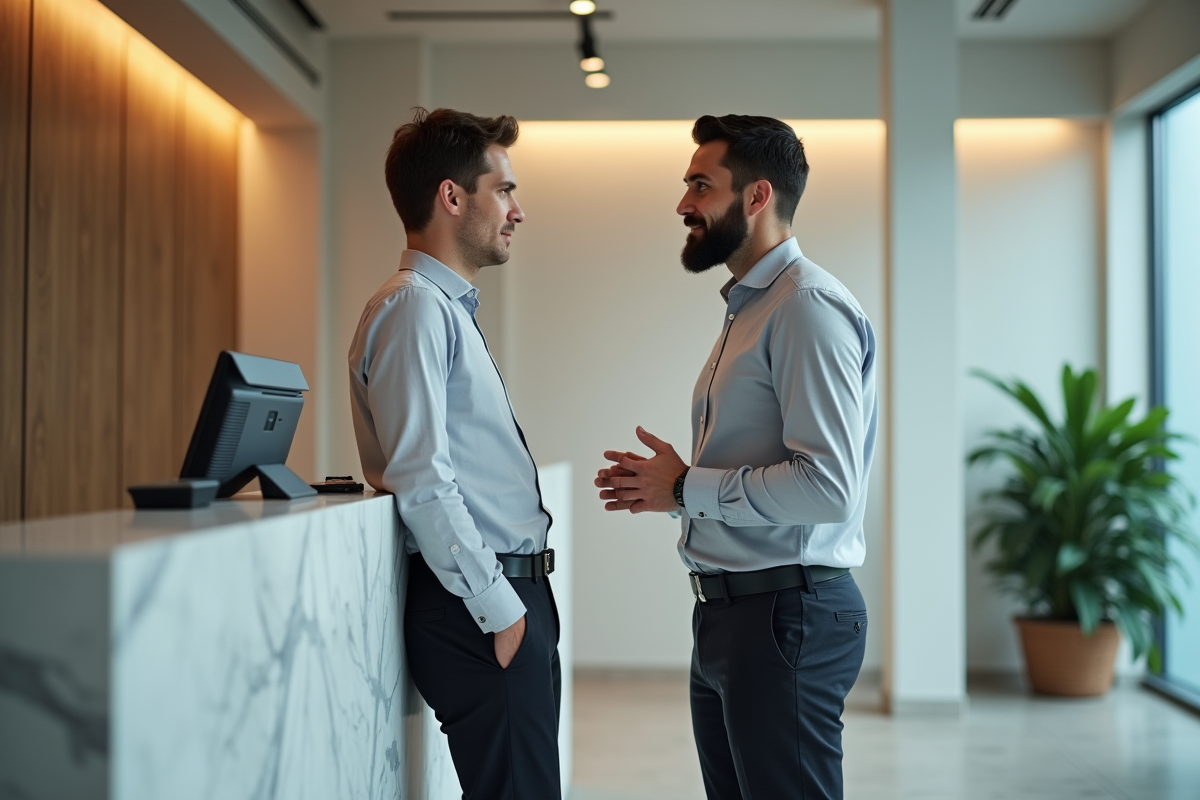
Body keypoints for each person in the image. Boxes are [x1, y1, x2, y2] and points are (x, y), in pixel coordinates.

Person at [594, 114, 877, 800]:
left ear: (757, 197)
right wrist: (668, 492)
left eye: (701, 185)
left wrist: (689, 487)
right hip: (732, 615)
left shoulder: (805, 306)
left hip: (786, 616)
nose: (684, 204)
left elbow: (829, 487)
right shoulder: (752, 307)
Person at [348, 108, 560, 800]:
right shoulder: (414, 309)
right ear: (452, 196)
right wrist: (500, 610)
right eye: (504, 190)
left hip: (498, 597)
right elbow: (421, 478)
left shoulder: (440, 308)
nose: (517, 211)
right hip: (479, 605)